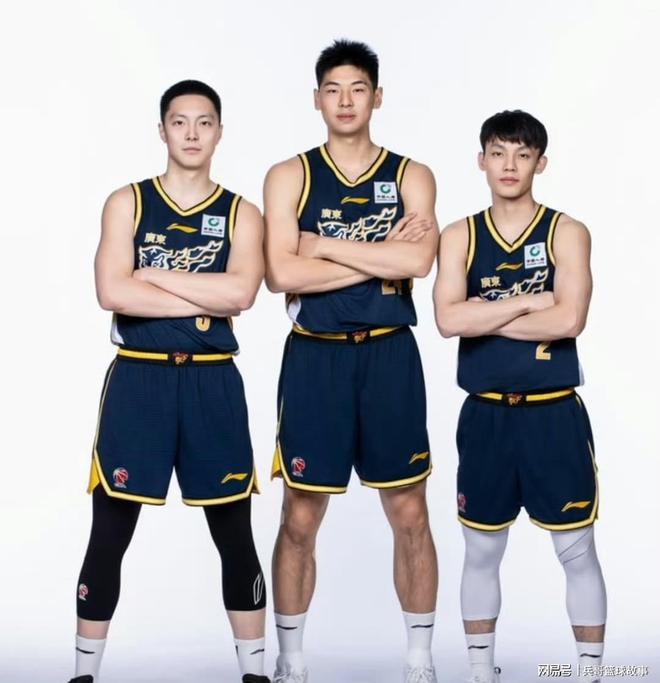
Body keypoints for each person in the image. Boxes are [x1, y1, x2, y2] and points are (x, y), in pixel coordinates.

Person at [68, 80, 270, 683]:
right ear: (162, 130)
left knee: (234, 532)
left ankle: (254, 673)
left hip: (212, 383)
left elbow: (242, 293)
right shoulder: (127, 203)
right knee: (110, 530)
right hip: (140, 380)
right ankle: (83, 673)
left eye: (203, 122)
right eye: (179, 122)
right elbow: (112, 291)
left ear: (219, 132)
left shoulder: (241, 213)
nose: (191, 133)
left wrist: (152, 275)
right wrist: (204, 299)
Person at [263, 40, 440, 683]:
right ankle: (291, 661)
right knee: (299, 516)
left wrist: (322, 246)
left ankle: (419, 660)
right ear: (317, 99)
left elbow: (418, 262)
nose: (345, 100)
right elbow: (282, 275)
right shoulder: (290, 175)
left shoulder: (411, 174)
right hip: (316, 359)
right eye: (333, 89)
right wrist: (376, 255)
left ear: (377, 97)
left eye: (357, 88)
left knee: (410, 512)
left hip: (390, 355)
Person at [433, 110, 607, 683]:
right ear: (481, 160)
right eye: (498, 153)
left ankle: (588, 673)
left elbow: (570, 319)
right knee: (481, 550)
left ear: (541, 163)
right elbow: (448, 320)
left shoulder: (567, 232)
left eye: (522, 154)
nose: (509, 165)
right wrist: (530, 302)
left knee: (576, 549)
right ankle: (481, 672)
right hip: (485, 414)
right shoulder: (460, 235)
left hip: (553, 413)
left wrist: (483, 315)